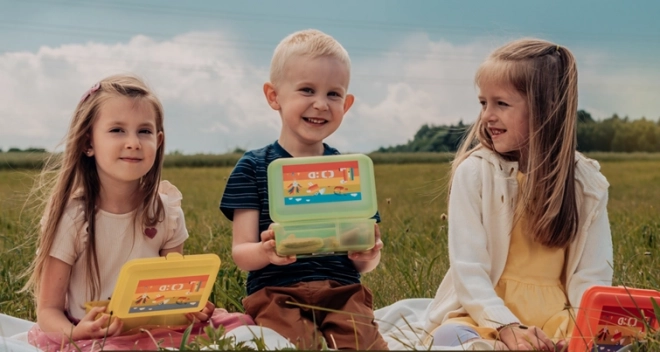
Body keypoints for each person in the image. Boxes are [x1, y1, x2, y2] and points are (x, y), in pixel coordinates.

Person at [22, 75, 251, 351]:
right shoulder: (73, 219)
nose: (133, 142)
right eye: (117, 130)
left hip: (159, 330)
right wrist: (76, 331)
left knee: (245, 327)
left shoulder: (166, 212)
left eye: (144, 131)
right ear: (88, 143)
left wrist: (192, 307)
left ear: (159, 139)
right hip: (97, 337)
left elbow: (174, 294)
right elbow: (48, 311)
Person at [424, 38, 613, 351]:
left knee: (609, 343)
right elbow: (469, 270)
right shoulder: (475, 173)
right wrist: (505, 326)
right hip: (483, 312)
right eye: (484, 103)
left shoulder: (585, 183)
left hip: (556, 315)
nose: (487, 116)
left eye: (502, 104)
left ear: (545, 109)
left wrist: (583, 330)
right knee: (449, 340)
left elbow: (591, 275)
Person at [220, 29, 389, 350]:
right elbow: (241, 253)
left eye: (334, 94)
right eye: (307, 90)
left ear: (347, 103)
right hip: (276, 294)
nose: (321, 104)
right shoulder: (253, 167)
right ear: (274, 96)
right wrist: (265, 251)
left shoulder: (349, 172)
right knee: (297, 345)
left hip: (342, 290)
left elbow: (363, 261)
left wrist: (369, 254)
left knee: (365, 344)